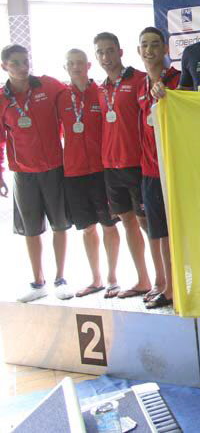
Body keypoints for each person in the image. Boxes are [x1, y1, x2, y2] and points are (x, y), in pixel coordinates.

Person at [0, 44, 72, 302]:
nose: (22, 67)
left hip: (54, 168)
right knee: (31, 230)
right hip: (23, 173)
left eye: (25, 61)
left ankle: (61, 278)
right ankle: (38, 282)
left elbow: (72, 99)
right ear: (4, 66)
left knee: (60, 225)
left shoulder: (47, 85)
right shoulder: (1, 99)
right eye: (15, 63)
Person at [56, 49, 121, 297]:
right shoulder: (61, 96)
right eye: (71, 63)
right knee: (86, 228)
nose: (76, 67)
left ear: (89, 65)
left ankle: (113, 278)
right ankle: (95, 279)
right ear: (65, 67)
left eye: (80, 63)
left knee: (109, 224)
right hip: (73, 172)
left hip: (101, 170)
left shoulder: (102, 93)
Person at [94, 32, 153, 299]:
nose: (106, 57)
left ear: (120, 51)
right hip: (111, 166)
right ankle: (143, 280)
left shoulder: (140, 80)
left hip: (137, 165)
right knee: (128, 221)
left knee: (148, 224)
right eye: (100, 52)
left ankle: (166, 280)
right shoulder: (100, 87)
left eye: (110, 51)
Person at [137, 27, 181, 309]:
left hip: (175, 168)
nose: (150, 50)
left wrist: (170, 98)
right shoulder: (140, 85)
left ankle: (180, 287)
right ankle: (167, 285)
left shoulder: (177, 80)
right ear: (138, 51)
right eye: (145, 45)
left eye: (155, 44)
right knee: (160, 232)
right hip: (150, 172)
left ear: (165, 49)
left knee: (178, 230)